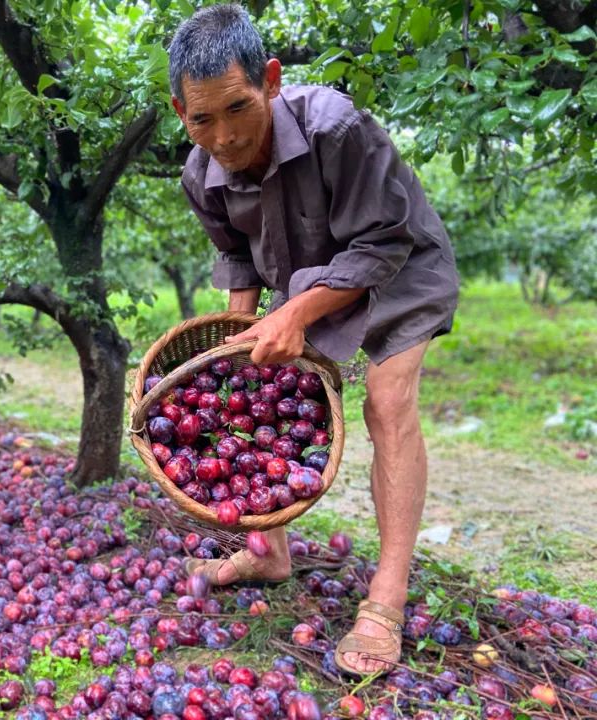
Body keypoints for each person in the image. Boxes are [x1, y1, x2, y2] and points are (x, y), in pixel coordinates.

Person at [167, 3, 460, 677]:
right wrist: (235, 349)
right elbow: (239, 259)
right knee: (255, 399)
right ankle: (269, 551)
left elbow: (385, 240)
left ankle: (386, 598)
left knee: (386, 403)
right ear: (181, 111)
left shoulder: (337, 128)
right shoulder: (200, 170)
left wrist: (296, 315)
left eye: (239, 108)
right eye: (202, 118)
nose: (226, 137)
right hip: (308, 282)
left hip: (399, 269)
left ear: (270, 80)